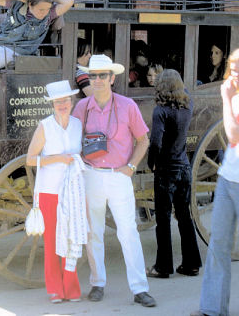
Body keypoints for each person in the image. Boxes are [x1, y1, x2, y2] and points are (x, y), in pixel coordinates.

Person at [71, 54, 156, 307]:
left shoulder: (127, 106)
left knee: (128, 232)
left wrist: (131, 167)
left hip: (119, 176)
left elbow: (143, 140)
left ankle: (140, 288)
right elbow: (73, 141)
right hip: (91, 175)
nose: (97, 80)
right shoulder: (81, 108)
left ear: (112, 78)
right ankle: (97, 283)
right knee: (93, 232)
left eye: (102, 75)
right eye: (93, 76)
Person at [192, 47, 239, 316]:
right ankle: (212, 309)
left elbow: (234, 135)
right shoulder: (238, 99)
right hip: (227, 180)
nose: (234, 75)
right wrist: (230, 99)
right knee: (219, 244)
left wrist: (226, 100)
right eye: (232, 69)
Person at [26, 80, 86, 303]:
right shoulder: (45, 126)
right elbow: (30, 159)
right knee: (52, 242)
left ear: (71, 102)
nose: (62, 105)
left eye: (66, 100)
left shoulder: (78, 125)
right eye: (58, 101)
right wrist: (58, 159)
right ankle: (55, 290)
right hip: (49, 191)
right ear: (52, 104)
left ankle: (71, 289)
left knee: (72, 239)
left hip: (73, 191)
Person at [146, 69, 201, 279]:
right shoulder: (188, 104)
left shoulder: (160, 111)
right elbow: (183, 91)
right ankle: (192, 264)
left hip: (166, 170)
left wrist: (152, 163)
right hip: (184, 167)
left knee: (163, 219)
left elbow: (156, 142)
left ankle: (163, 266)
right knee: (185, 216)